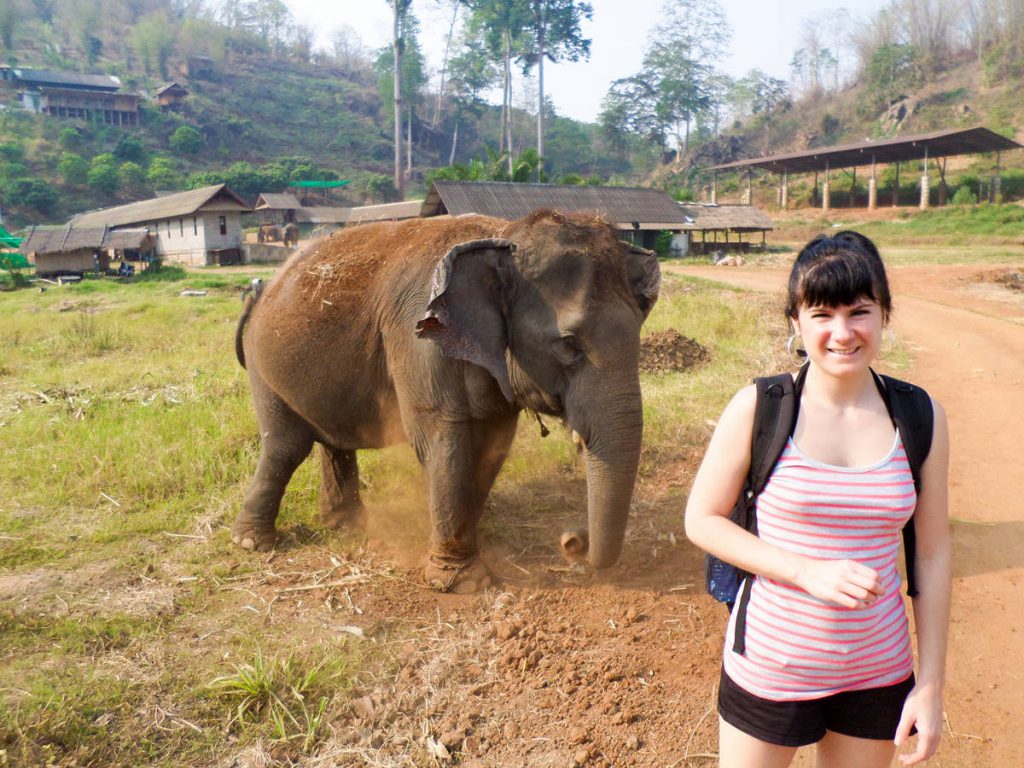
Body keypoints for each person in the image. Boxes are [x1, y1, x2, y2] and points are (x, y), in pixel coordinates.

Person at [684, 231, 951, 768]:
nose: (843, 333)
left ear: (885, 315)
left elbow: (932, 553)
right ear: (796, 322)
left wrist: (930, 684)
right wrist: (805, 570)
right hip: (771, 664)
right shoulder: (759, 407)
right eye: (822, 314)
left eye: (860, 311)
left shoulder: (920, 416)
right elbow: (702, 519)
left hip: (879, 670)